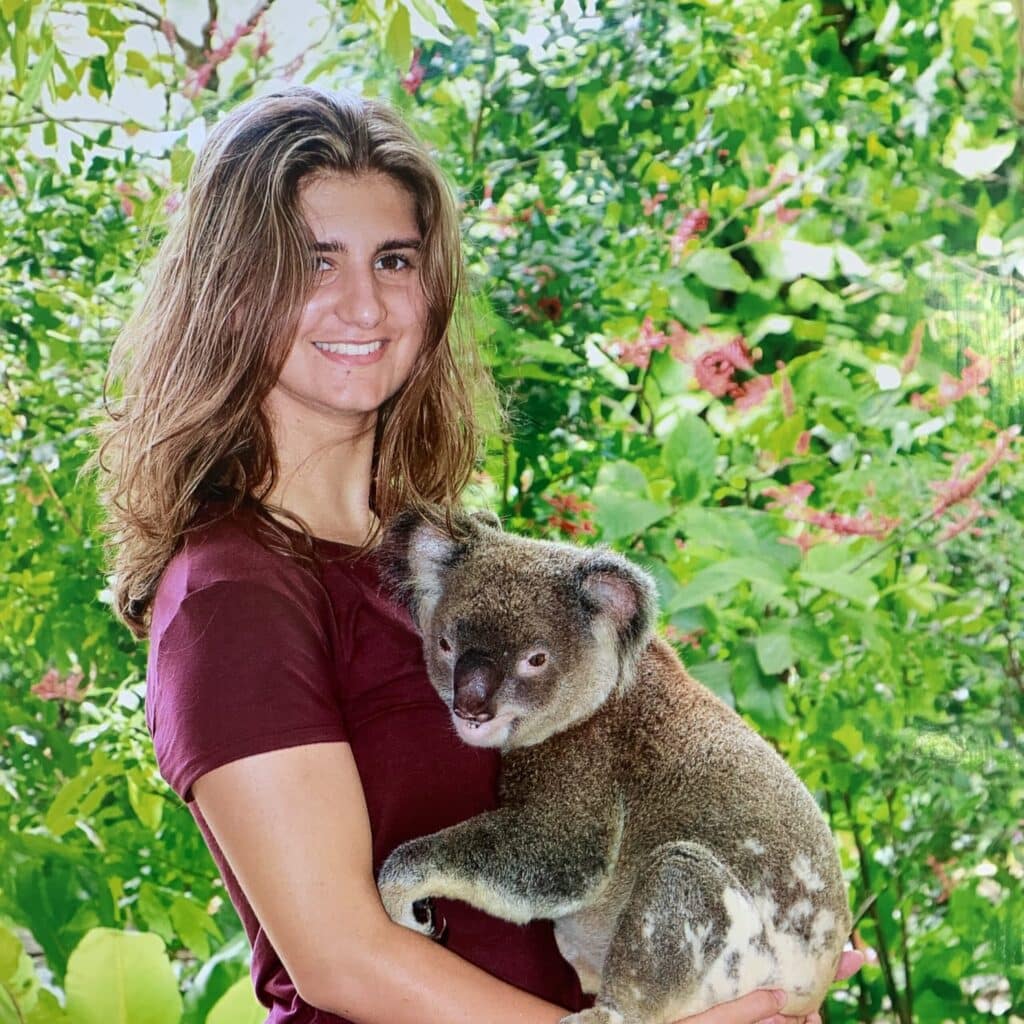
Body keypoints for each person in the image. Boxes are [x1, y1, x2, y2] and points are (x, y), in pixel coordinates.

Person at [95, 86, 862, 1024]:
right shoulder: (234, 595)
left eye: (394, 260)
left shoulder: (453, 569)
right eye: (313, 262)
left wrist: (746, 953)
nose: (363, 302)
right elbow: (342, 959)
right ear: (231, 289)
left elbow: (601, 825)